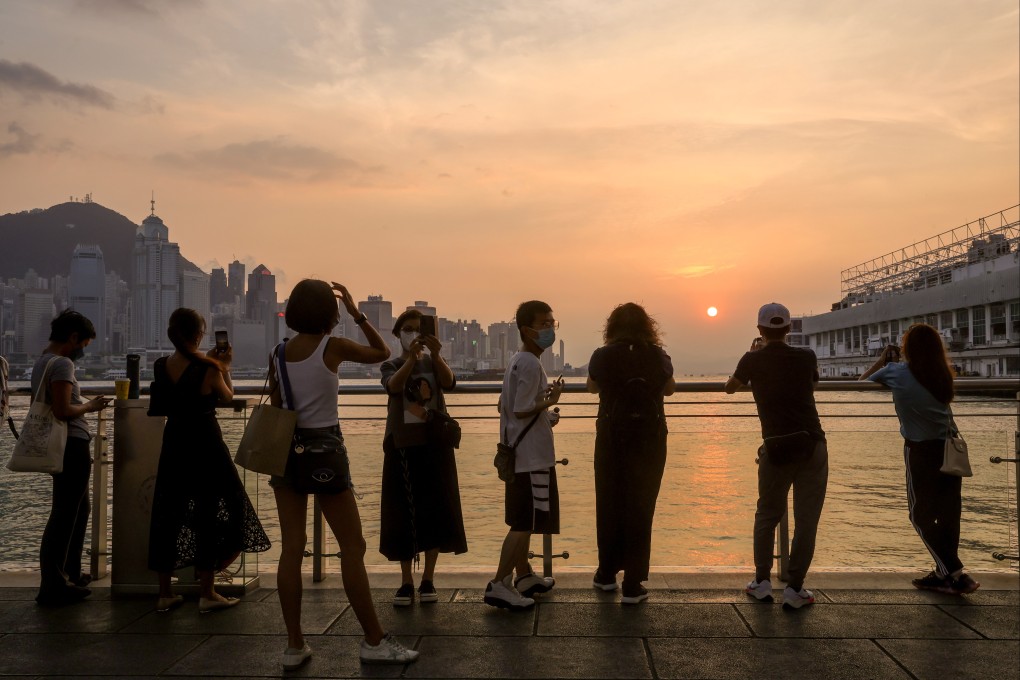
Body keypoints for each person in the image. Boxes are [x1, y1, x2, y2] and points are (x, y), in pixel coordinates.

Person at [269, 279, 418, 669]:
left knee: (290, 548)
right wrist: (359, 314)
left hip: (286, 453)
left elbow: (277, 406)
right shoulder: (330, 347)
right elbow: (382, 352)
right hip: (325, 453)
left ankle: (294, 645)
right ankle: (373, 639)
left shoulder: (278, 352)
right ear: (329, 312)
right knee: (352, 547)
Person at [147, 308, 270, 613]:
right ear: (199, 334)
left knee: (169, 513)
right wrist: (224, 366)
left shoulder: (160, 365)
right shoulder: (209, 368)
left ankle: (165, 592)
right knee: (215, 509)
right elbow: (228, 397)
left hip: (173, 443)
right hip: (205, 444)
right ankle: (207, 591)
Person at [861, 324, 980, 595]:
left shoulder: (896, 371)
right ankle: (942, 574)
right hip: (948, 449)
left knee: (919, 515)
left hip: (920, 450)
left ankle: (957, 572)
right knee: (949, 514)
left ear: (907, 349)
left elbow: (861, 383)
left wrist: (882, 360)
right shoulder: (942, 374)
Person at [725, 302, 827, 610]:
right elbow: (812, 384)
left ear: (759, 330)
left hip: (777, 446)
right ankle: (795, 588)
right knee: (807, 519)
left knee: (767, 513)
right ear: (788, 329)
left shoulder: (752, 359)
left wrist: (754, 362)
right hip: (812, 443)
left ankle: (762, 581)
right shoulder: (806, 355)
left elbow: (730, 388)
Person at [586, 303, 676, 604]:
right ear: (646, 326)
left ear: (611, 328)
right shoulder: (658, 355)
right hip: (650, 440)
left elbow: (591, 388)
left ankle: (607, 575)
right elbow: (670, 390)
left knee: (609, 503)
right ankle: (633, 584)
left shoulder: (603, 355)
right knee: (641, 506)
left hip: (612, 438)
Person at [379, 309, 467, 606]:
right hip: (402, 444)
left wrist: (436, 355)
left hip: (434, 443)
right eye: (407, 329)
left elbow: (450, 382)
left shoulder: (433, 362)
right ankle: (405, 580)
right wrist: (412, 360)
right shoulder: (391, 364)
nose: (413, 334)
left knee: (435, 510)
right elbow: (393, 387)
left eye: (418, 329)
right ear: (398, 333)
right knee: (402, 514)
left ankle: (428, 578)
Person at [484, 300, 563, 610]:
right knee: (523, 523)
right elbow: (520, 409)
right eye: (544, 324)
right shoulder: (530, 362)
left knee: (524, 519)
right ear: (527, 330)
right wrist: (551, 401)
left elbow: (513, 408)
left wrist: (546, 414)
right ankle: (499, 583)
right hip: (531, 459)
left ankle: (524, 575)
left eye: (552, 323)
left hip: (520, 453)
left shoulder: (519, 360)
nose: (549, 329)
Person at [32, 309, 110, 605]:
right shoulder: (63, 363)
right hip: (71, 445)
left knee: (78, 511)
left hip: (64, 445)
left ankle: (70, 575)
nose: (82, 352)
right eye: (84, 345)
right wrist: (91, 406)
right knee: (65, 515)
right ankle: (53, 583)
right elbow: (64, 410)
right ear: (74, 338)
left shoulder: (43, 360)